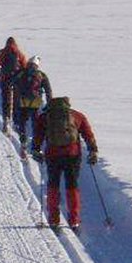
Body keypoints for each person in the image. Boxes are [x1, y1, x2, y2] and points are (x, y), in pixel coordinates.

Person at [31, 96, 99, 232]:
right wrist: (93, 150)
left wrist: (36, 150)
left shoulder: (45, 117)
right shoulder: (77, 115)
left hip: (52, 155)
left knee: (53, 185)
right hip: (72, 155)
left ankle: (53, 219)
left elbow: (38, 136)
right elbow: (88, 134)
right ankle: (74, 220)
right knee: (72, 185)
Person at [13, 56, 52, 153]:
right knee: (36, 124)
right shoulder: (41, 75)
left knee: (22, 122)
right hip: (36, 102)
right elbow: (48, 90)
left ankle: (23, 139)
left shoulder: (21, 73)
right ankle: (35, 145)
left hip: (23, 101)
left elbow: (12, 82)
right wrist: (49, 103)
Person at [0, 36, 28, 132]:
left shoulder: (3, 52)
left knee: (6, 98)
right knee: (16, 100)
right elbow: (25, 66)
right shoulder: (19, 53)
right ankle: (16, 122)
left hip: (4, 79)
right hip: (17, 80)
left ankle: (6, 118)